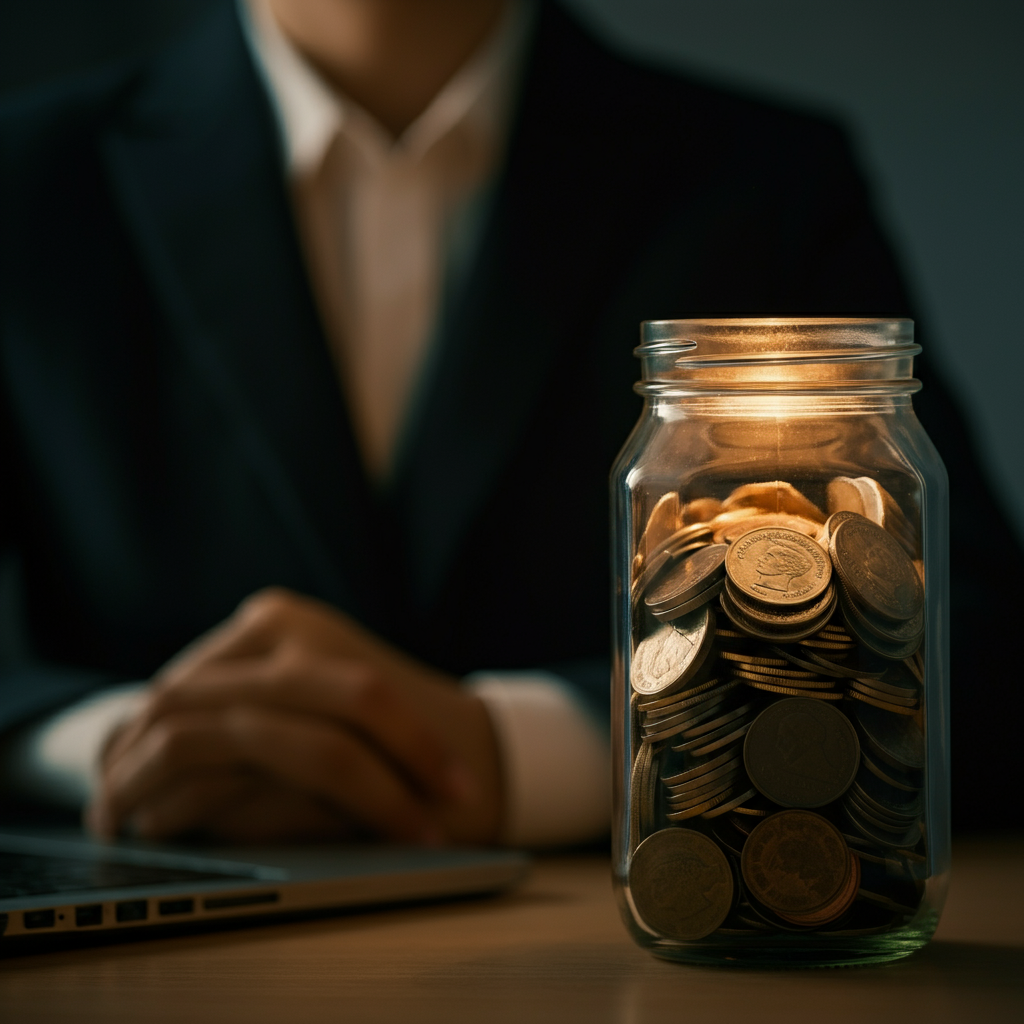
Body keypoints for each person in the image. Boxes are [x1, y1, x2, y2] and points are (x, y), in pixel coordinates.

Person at [1, 0, 1019, 843]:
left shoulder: (764, 180)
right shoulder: (27, 180)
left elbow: (973, 642)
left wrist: (515, 752)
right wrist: (117, 739)